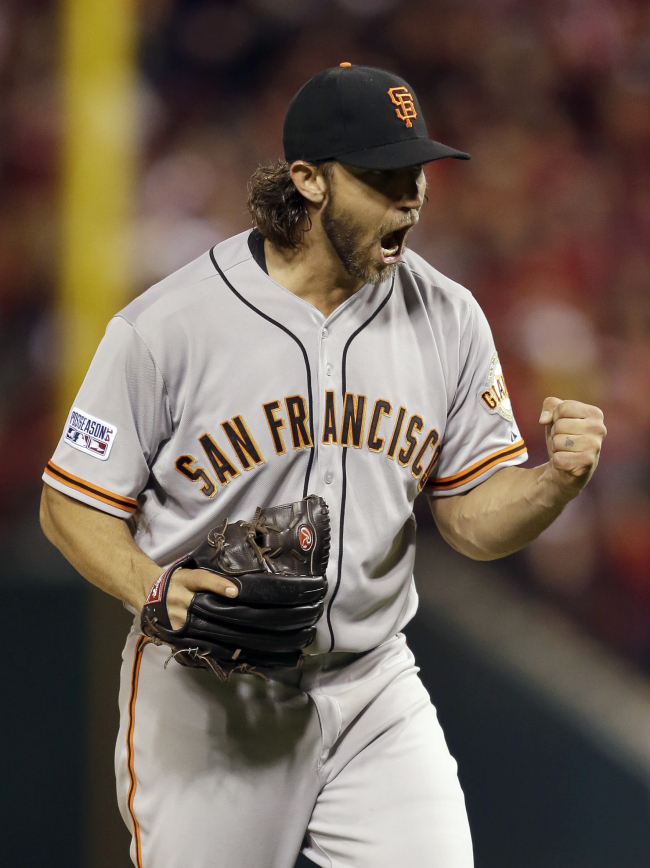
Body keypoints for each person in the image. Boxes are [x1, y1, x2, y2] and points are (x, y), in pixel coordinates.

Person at [40, 65, 606, 868]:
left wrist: (554, 484)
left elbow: (473, 520)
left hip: (374, 687)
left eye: (416, 173)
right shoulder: (167, 327)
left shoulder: (448, 317)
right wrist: (153, 589)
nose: (410, 196)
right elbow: (70, 505)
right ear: (306, 180)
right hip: (212, 694)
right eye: (381, 176)